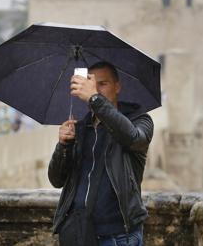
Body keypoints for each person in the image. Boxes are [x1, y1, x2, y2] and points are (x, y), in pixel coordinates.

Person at [48, 62, 153, 246]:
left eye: (102, 84)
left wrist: (95, 99)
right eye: (92, 86)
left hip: (119, 236)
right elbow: (57, 180)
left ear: (117, 86)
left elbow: (133, 138)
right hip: (79, 234)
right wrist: (63, 146)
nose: (96, 90)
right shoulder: (81, 128)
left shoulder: (139, 120)